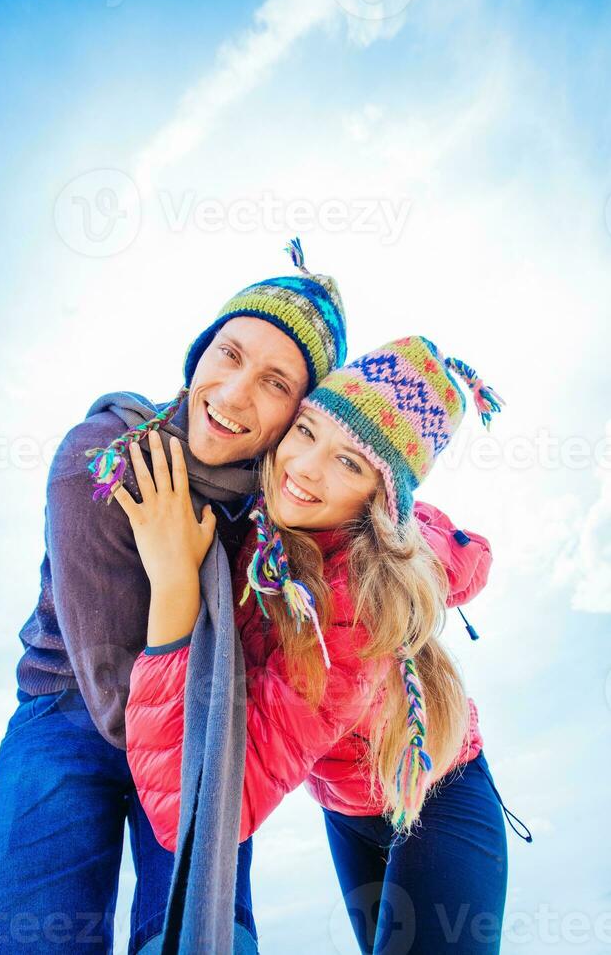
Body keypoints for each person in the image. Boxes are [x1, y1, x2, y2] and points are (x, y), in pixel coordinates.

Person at [0, 238, 350, 954]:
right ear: (199, 355)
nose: (234, 395)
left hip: (204, 717)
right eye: (229, 355)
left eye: (274, 382)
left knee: (199, 935)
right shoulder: (100, 458)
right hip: (70, 708)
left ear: (298, 415)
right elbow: (114, 704)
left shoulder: (282, 515)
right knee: (22, 930)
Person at [121, 334, 530, 953]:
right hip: (348, 809)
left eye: (350, 463)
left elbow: (195, 819)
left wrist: (174, 582)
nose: (306, 467)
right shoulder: (272, 526)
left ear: (378, 501)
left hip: (442, 799)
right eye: (307, 430)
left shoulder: (353, 608)